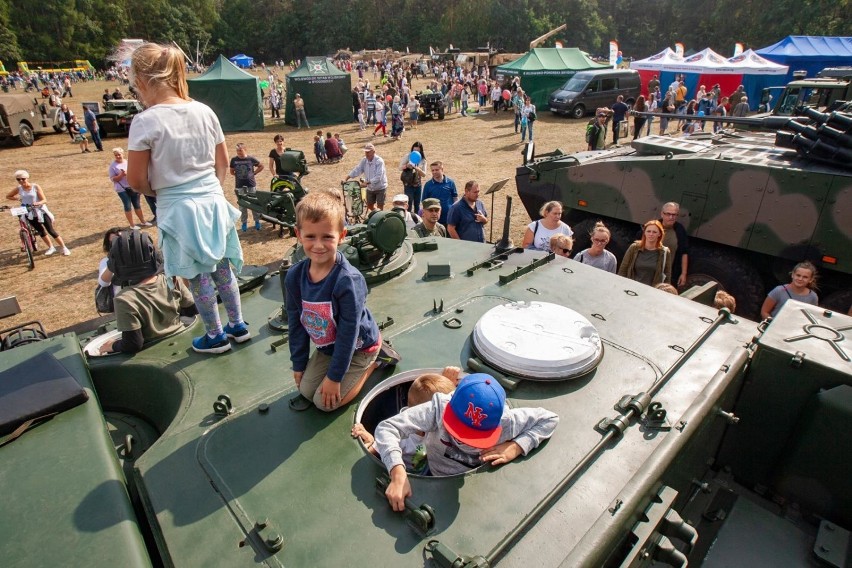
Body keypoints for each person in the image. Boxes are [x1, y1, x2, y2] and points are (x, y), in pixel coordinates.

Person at [126, 42, 249, 354]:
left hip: (177, 207)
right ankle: (238, 324)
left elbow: (136, 180)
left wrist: (165, 191)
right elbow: (222, 162)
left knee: (198, 276)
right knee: (222, 270)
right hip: (212, 199)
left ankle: (215, 335)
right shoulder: (204, 111)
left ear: (141, 80)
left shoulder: (145, 121)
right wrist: (209, 188)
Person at [375, 373, 559, 510]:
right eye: (459, 432)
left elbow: (549, 419)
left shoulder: (506, 421)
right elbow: (387, 428)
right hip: (432, 473)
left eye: (475, 437)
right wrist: (398, 473)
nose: (465, 443)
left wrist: (516, 446)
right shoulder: (439, 408)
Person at [286, 191, 398, 412]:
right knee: (306, 391)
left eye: (327, 236)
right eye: (310, 236)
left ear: (342, 235)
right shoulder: (295, 276)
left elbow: (348, 333)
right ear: (298, 234)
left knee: (324, 403)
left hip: (359, 346)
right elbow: (295, 322)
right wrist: (298, 364)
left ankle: (376, 360)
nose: (318, 245)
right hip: (328, 346)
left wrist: (334, 378)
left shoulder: (348, 281)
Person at [98, 230, 198, 354]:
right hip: (184, 340)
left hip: (154, 352)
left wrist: (112, 346)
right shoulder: (171, 279)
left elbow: (133, 344)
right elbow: (192, 310)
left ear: (116, 265)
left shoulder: (124, 300)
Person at [352, 367, 461, 473]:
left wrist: (448, 381)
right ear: (425, 413)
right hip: (404, 472)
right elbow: (372, 452)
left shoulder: (436, 422)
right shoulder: (402, 435)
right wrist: (371, 441)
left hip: (427, 467)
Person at [6, 170, 71, 256]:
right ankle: (51, 247)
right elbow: (8, 196)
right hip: (29, 212)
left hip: (40, 211)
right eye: (18, 179)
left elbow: (44, 200)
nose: (21, 181)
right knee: (40, 231)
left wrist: (38, 203)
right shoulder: (19, 188)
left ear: (27, 178)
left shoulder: (35, 186)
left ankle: (64, 247)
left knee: (51, 230)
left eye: (23, 179)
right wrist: (18, 198)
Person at [618, 220, 673, 286]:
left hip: (651, 291)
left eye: (654, 232)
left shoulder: (664, 252)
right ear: (644, 233)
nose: (651, 234)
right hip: (631, 287)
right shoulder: (634, 248)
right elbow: (623, 269)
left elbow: (667, 276)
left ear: (659, 234)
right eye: (648, 231)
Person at [109, 148, 152, 229]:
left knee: (137, 205)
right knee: (127, 205)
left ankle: (143, 221)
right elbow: (112, 179)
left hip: (132, 187)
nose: (118, 156)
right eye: (116, 155)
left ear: (123, 154)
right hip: (122, 189)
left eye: (119, 154)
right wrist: (121, 175)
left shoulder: (128, 162)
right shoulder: (113, 166)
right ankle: (132, 225)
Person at [342, 143, 388, 212]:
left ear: (374, 152)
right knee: (369, 205)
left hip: (380, 187)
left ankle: (379, 217)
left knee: (380, 207)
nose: (366, 154)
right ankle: (377, 214)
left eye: (368, 152)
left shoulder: (379, 161)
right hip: (370, 188)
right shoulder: (364, 160)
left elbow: (379, 177)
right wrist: (346, 178)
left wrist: (367, 183)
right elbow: (357, 170)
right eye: (366, 152)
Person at [230, 142, 264, 232]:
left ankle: (257, 221)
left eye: (240, 150)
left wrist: (254, 173)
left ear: (245, 149)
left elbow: (261, 166)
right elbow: (231, 171)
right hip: (240, 186)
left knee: (254, 204)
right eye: (237, 151)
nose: (239, 153)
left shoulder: (251, 159)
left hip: (251, 184)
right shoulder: (234, 160)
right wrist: (239, 176)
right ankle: (244, 223)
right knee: (242, 205)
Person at [659, 202, 690, 287]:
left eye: (674, 215)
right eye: (668, 214)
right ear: (662, 214)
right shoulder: (653, 227)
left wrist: (683, 274)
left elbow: (684, 252)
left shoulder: (679, 230)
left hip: (668, 274)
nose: (671, 217)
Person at [421, 161, 457, 226]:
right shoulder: (428, 185)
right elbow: (424, 202)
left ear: (442, 170)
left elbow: (455, 198)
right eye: (432, 170)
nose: (434, 172)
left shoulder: (450, 183)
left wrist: (454, 212)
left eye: (437, 170)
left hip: (449, 218)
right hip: (434, 219)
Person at [399, 141, 426, 213]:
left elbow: (424, 174)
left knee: (417, 204)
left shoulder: (423, 160)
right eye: (414, 150)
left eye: (418, 150)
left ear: (421, 151)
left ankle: (417, 220)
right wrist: (406, 166)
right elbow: (400, 168)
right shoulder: (408, 156)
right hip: (408, 185)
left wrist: (418, 169)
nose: (416, 152)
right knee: (408, 204)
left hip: (418, 185)